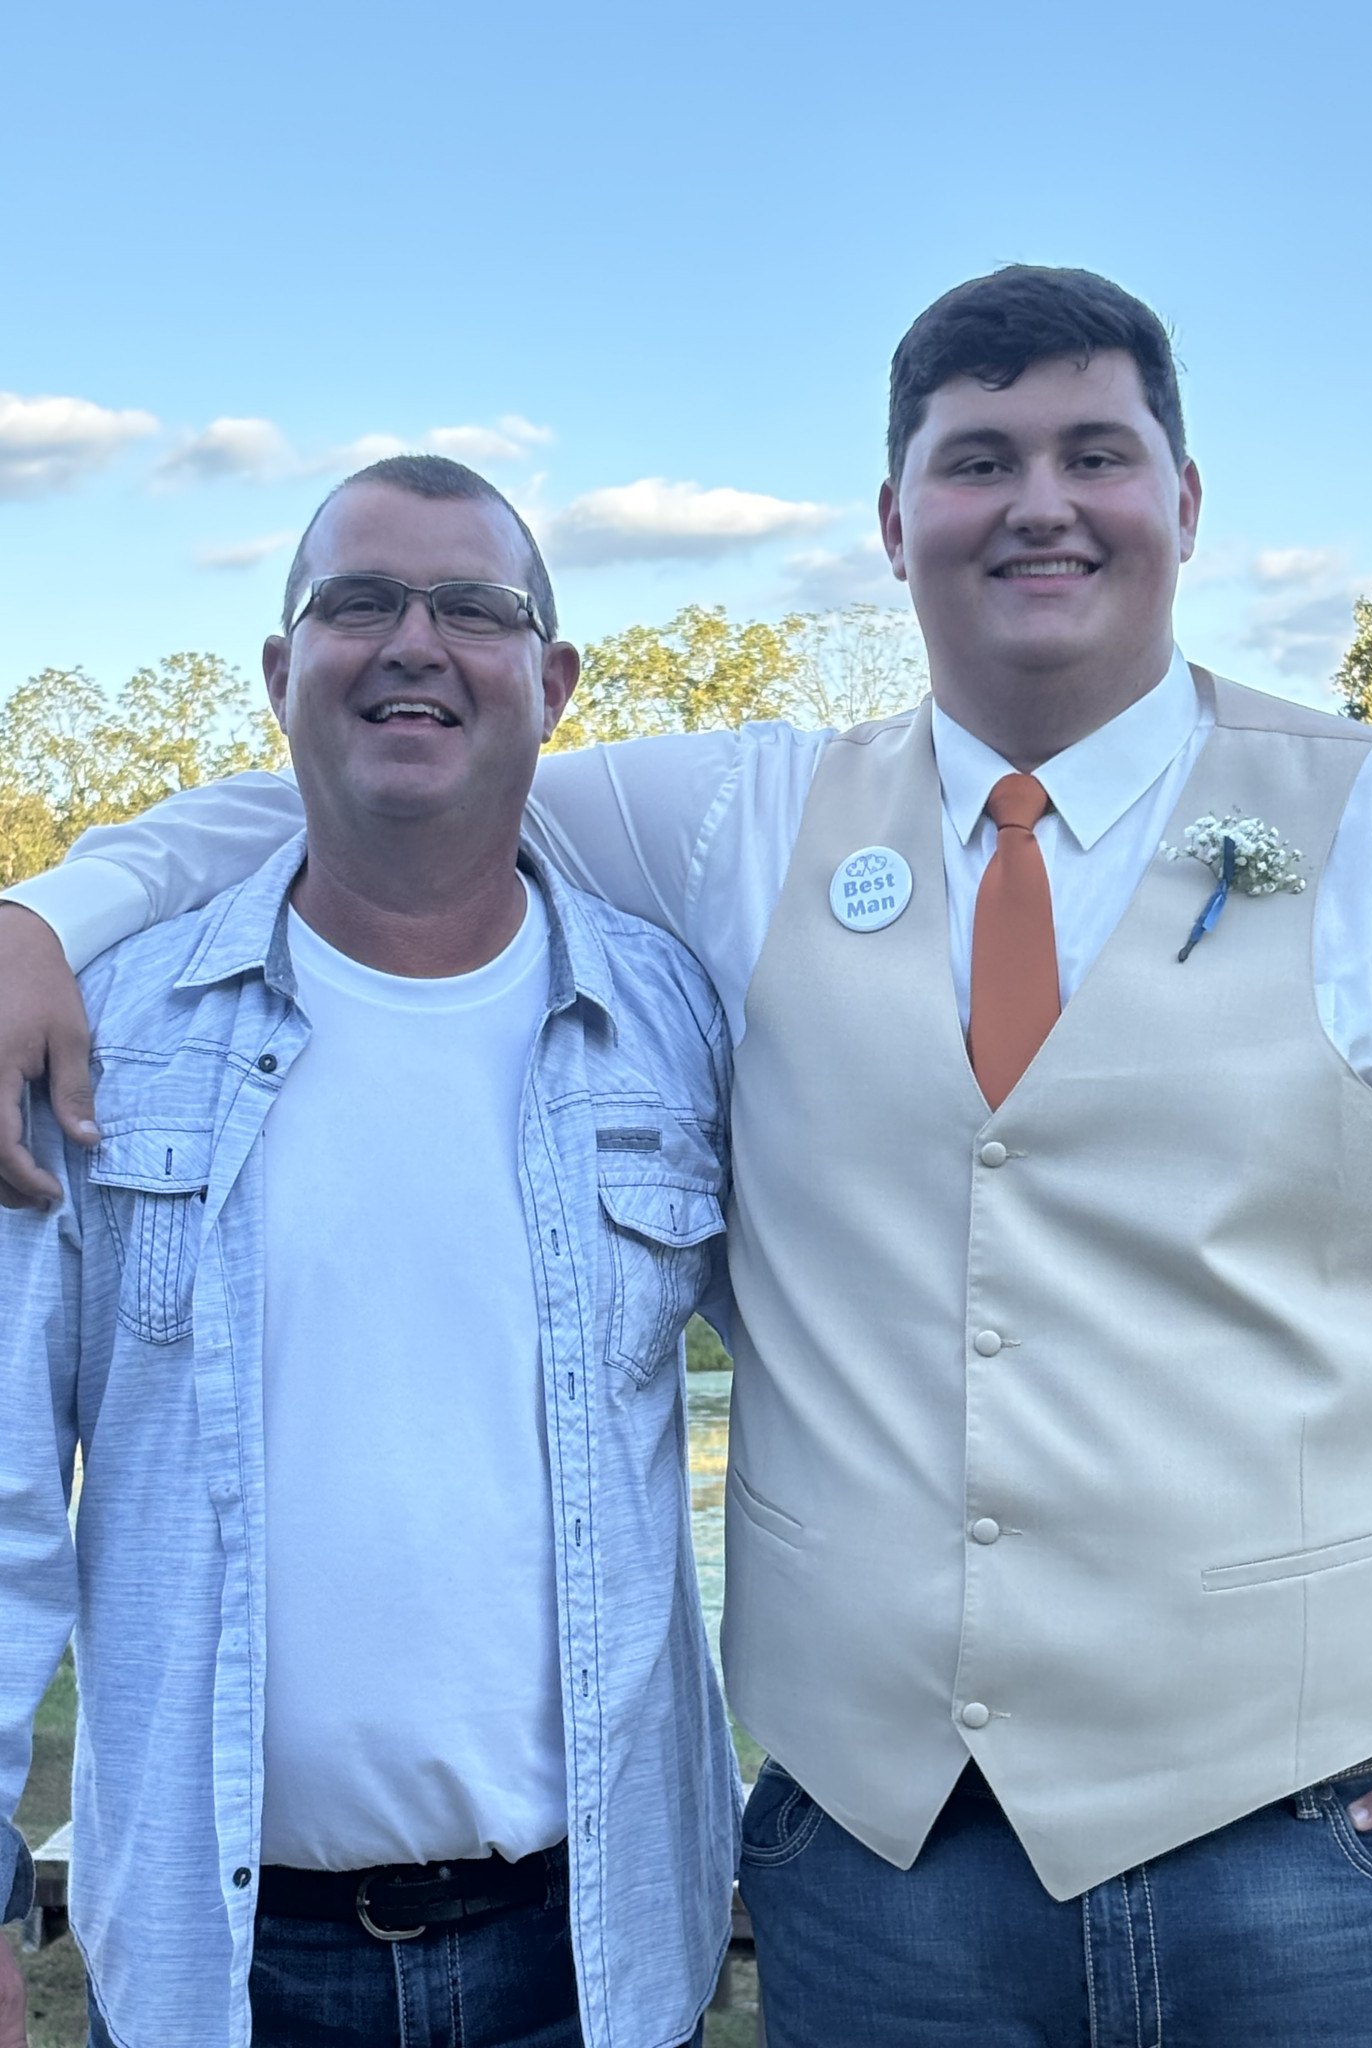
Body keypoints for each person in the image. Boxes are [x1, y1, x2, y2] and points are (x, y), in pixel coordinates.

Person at [4, 267, 1372, 2044]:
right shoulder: (738, 824)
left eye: (1095, 453)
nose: (1038, 503)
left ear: (1184, 502)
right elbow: (377, 772)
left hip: (1345, 1865)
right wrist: (48, 912)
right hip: (890, 1892)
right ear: (894, 522)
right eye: (978, 461)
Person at [0, 456, 738, 2048]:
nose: (415, 642)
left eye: (472, 606)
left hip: (592, 1956)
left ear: (552, 679)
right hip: (224, 1967)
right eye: (360, 603)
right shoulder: (101, 1038)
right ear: (283, 670)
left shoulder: (676, 1023)